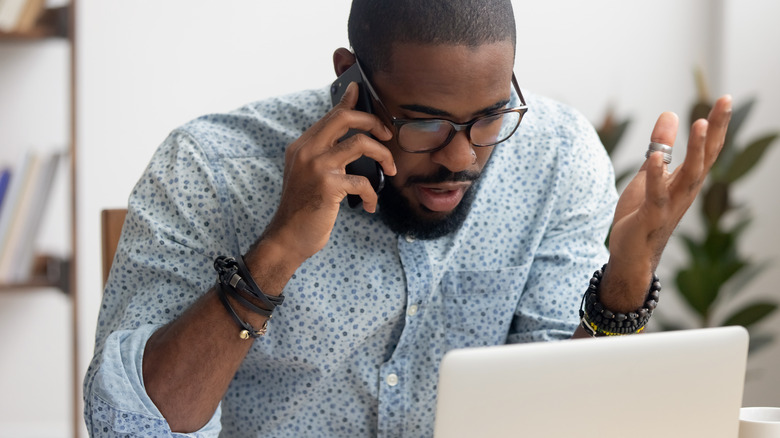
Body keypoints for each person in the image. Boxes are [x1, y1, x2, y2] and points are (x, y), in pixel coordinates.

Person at [83, 0, 732, 437]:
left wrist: (626, 279)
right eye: (424, 121)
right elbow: (130, 425)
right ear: (350, 81)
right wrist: (276, 253)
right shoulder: (210, 168)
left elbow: (557, 416)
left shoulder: (556, 157)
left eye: (489, 117)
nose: (461, 157)